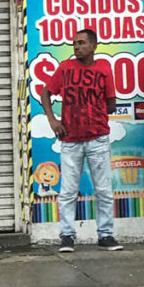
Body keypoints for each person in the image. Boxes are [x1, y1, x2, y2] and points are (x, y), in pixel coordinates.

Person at [39, 28, 123, 252]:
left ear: (94, 46)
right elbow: (45, 93)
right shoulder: (65, 68)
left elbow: (112, 102)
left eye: (82, 43)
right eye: (75, 43)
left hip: (97, 138)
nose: (77, 47)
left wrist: (93, 113)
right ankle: (67, 236)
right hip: (70, 139)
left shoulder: (104, 69)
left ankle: (106, 235)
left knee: (103, 189)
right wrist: (53, 120)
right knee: (67, 191)